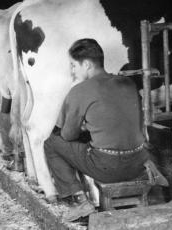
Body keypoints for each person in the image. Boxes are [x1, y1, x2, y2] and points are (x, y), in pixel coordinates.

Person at [44, 38, 150, 221]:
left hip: (108, 168)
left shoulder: (80, 90)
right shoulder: (128, 83)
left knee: (51, 143)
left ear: (86, 64)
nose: (72, 71)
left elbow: (68, 135)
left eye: (73, 65)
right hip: (139, 163)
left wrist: (83, 127)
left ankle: (80, 202)